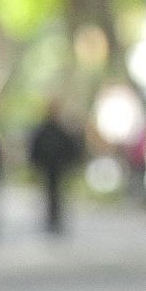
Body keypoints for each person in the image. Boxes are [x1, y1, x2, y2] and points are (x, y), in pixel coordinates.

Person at [27, 100, 85, 235]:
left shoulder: (60, 130)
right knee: (51, 194)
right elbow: (36, 147)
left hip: (58, 167)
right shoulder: (47, 129)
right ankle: (52, 219)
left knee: (55, 194)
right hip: (48, 166)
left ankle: (55, 219)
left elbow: (70, 147)